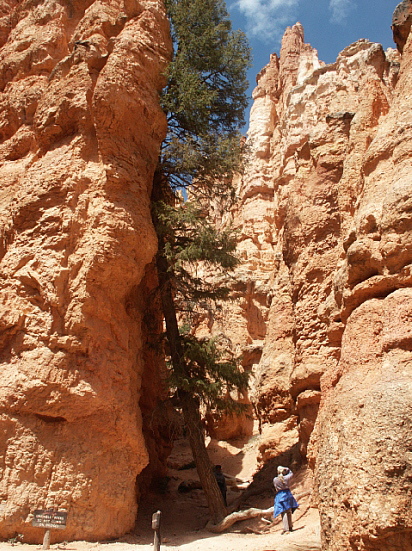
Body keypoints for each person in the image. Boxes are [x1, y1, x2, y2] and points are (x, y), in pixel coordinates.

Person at [273, 466, 299, 533]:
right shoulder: (286, 478)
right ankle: (290, 527)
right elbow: (291, 473)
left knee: (283, 512)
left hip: (280, 495)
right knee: (288, 511)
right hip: (287, 494)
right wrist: (286, 469)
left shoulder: (275, 479)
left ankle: (286, 528)